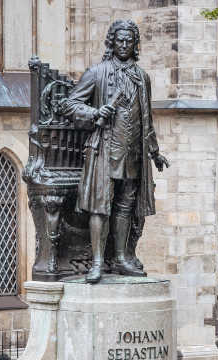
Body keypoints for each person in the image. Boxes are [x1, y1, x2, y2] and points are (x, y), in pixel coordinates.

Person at [59, 19, 170, 284]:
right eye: (119, 40)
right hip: (105, 152)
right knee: (101, 207)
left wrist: (155, 152)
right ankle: (97, 262)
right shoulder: (97, 73)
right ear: (112, 42)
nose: (123, 45)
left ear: (135, 44)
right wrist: (95, 112)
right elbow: (70, 104)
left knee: (125, 206)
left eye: (128, 41)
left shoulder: (142, 77)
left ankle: (120, 258)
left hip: (133, 153)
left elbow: (147, 119)